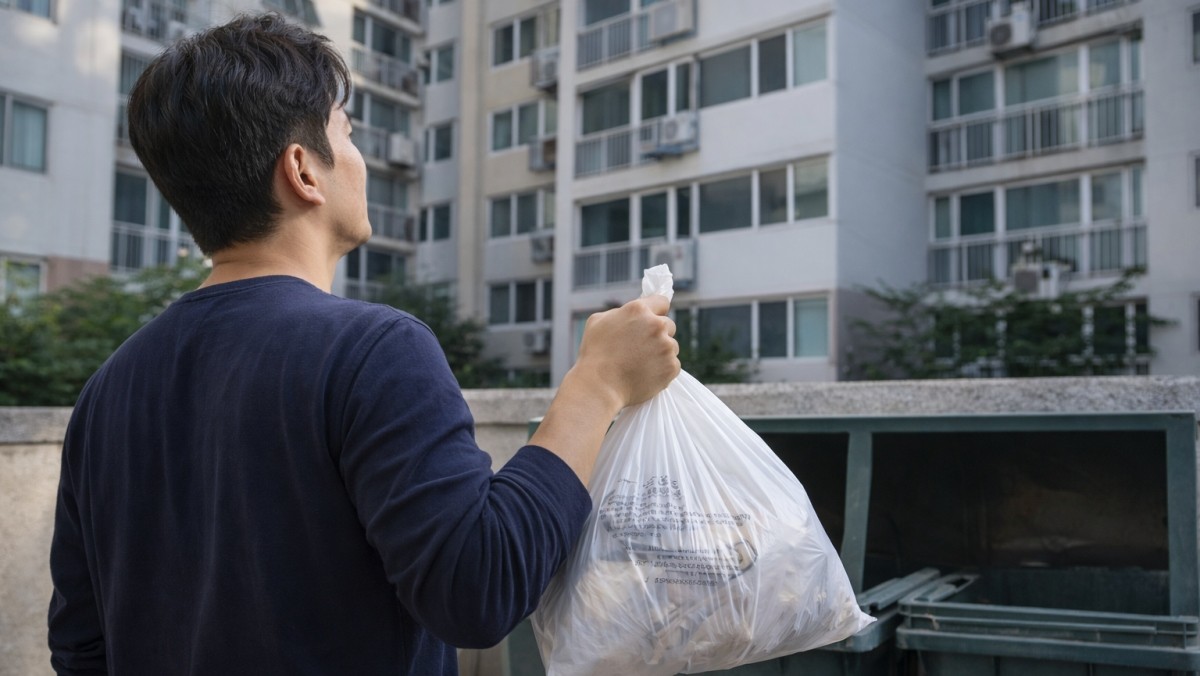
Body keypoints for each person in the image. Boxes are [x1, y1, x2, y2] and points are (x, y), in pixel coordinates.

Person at [47, 13, 679, 675]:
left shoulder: (108, 390)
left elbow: (80, 648)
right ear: (303, 171)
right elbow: (478, 588)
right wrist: (596, 384)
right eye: (346, 133)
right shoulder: (374, 352)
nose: (360, 160)